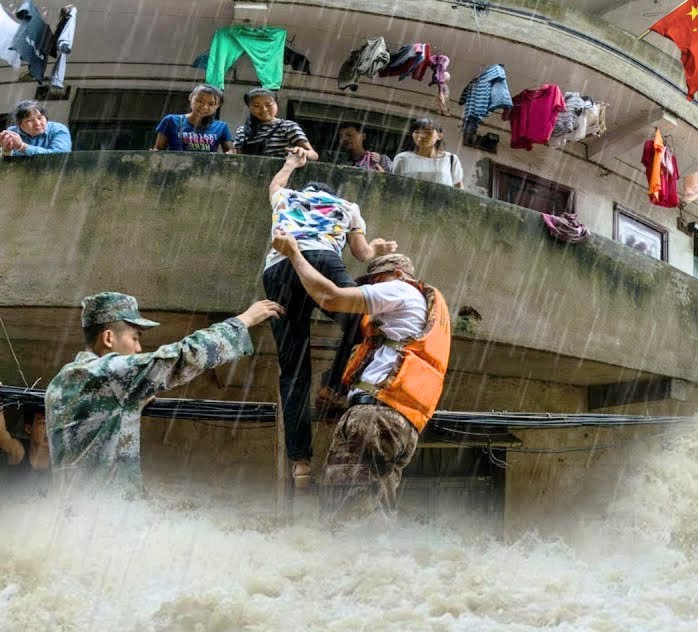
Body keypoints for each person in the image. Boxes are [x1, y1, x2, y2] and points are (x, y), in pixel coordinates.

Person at [269, 234, 450, 522]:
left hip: (375, 417)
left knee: (344, 518)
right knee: (373, 518)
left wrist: (294, 254)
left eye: (375, 281)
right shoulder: (425, 309)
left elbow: (331, 297)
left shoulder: (398, 290)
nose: (373, 290)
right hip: (402, 424)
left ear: (398, 274)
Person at [43, 292, 282, 490]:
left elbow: (91, 430)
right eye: (135, 337)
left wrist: (128, 406)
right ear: (108, 338)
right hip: (107, 523)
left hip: (71, 520)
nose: (138, 348)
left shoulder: (60, 383)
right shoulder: (108, 372)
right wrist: (243, 321)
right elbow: (183, 356)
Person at [263, 152, 396, 487]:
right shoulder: (347, 206)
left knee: (293, 368)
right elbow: (362, 254)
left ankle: (300, 462)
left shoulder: (287, 196)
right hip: (322, 260)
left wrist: (292, 164)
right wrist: (378, 248)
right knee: (364, 327)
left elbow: (276, 182)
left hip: (279, 269)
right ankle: (333, 387)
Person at [234, 88, 318, 160]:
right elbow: (238, 159)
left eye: (268, 104)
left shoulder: (288, 126)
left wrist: (303, 152)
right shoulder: (242, 131)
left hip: (281, 176)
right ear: (249, 108)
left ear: (276, 104)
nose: (264, 109)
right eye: (256, 106)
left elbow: (314, 155)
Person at [152, 84, 235, 152]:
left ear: (218, 106)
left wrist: (230, 153)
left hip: (206, 171)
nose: (204, 107)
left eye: (211, 104)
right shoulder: (170, 120)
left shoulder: (221, 127)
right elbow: (159, 149)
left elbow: (230, 151)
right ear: (190, 97)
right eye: (199, 101)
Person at [391, 117, 464, 188]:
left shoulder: (451, 159)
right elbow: (393, 185)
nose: (422, 136)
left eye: (428, 132)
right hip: (409, 200)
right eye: (417, 132)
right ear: (412, 135)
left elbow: (458, 186)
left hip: (441, 200)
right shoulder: (402, 158)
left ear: (439, 136)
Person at [0, 405, 51, 485]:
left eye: (52, 423)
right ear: (28, 429)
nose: (49, 428)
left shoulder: (62, 455)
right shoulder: (19, 452)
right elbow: (2, 436)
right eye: (43, 423)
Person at [0, 100, 72, 156]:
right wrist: (6, 151)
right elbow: (6, 161)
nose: (37, 123)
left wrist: (22, 146)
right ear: (19, 124)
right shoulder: (12, 132)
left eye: (40, 118)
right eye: (30, 120)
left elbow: (59, 156)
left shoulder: (58, 129)